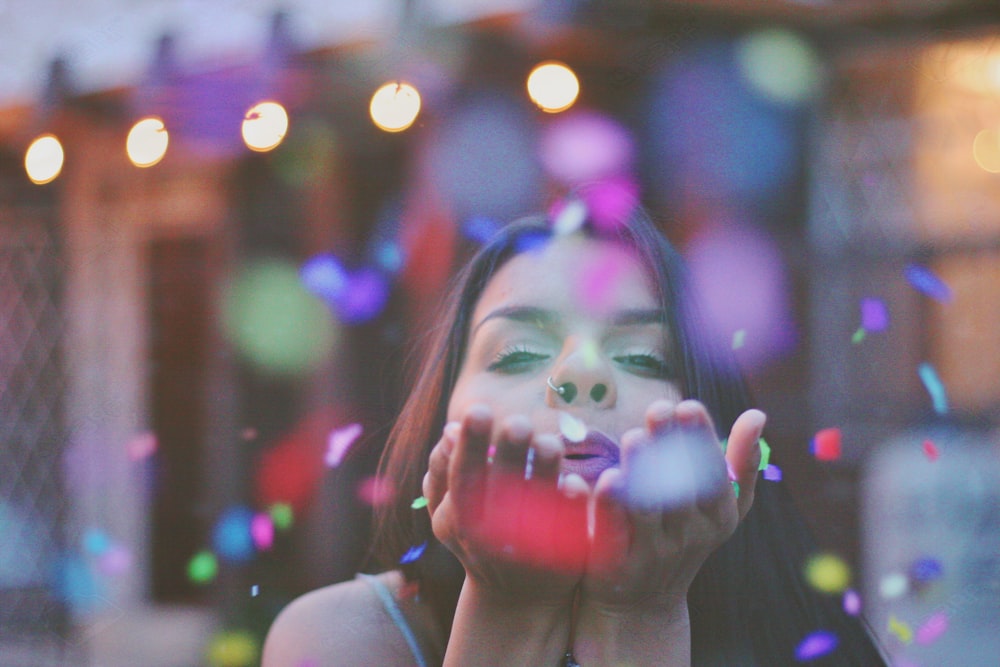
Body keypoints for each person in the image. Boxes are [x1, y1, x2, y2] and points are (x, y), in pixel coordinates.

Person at [262, 200, 887, 666]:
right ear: (442, 420)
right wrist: (507, 609)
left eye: (643, 359)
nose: (579, 378)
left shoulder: (796, 638)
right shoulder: (344, 639)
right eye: (514, 354)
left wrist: (640, 613)